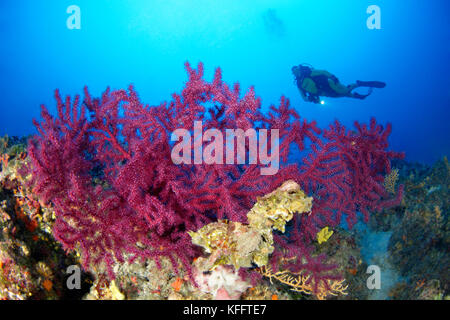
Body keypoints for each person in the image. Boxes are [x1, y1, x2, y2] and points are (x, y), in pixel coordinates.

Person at [292, 64, 386, 104]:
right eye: (294, 72)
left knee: (344, 91)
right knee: (340, 95)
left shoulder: (308, 73)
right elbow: (304, 98)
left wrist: (333, 77)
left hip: (329, 84)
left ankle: (358, 84)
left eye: (296, 69)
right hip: (324, 93)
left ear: (299, 69)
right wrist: (310, 99)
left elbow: (323, 72)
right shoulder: (299, 85)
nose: (296, 72)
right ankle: (356, 95)